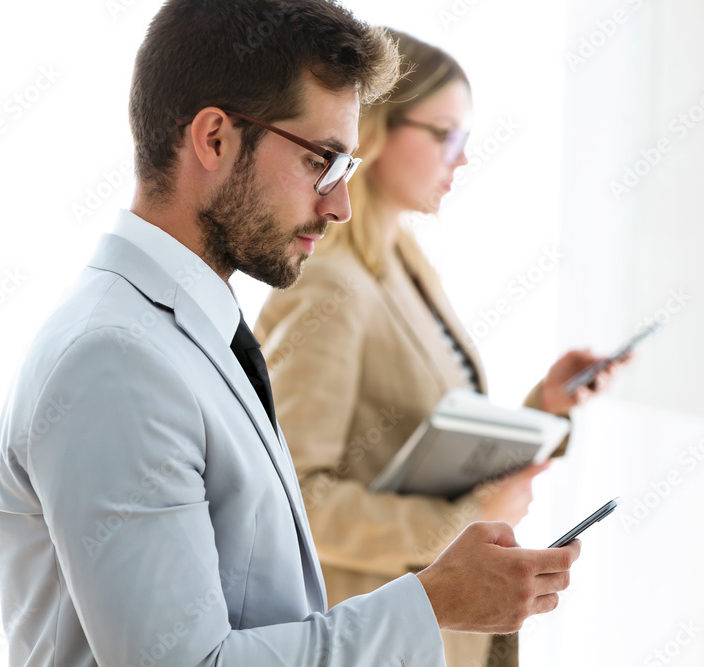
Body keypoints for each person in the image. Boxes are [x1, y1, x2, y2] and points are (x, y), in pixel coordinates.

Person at [0, 2, 584, 666]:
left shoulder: (187, 333)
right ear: (214, 139)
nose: (338, 204)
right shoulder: (115, 362)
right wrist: (432, 603)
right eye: (321, 160)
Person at [254, 29, 626, 667]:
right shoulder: (330, 287)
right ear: (373, 131)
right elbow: (294, 505)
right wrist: (468, 517)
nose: (461, 158)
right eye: (444, 134)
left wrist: (544, 407)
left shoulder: (400, 259)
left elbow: (425, 437)